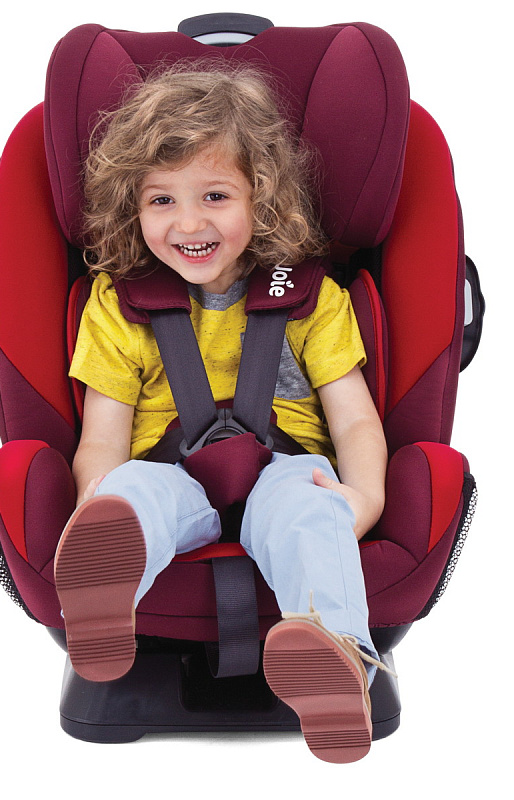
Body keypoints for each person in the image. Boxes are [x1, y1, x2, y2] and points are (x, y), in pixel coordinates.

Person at [55, 64, 391, 764]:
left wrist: (363, 498)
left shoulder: (309, 300)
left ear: (261, 198)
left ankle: (335, 660)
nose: (189, 223)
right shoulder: (120, 307)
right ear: (131, 207)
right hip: (168, 472)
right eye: (161, 200)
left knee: (311, 512)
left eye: (215, 195)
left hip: (286, 468)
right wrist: (95, 496)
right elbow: (102, 438)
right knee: (129, 494)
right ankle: (103, 584)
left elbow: (355, 420)